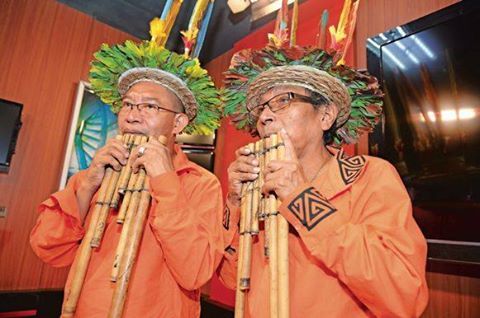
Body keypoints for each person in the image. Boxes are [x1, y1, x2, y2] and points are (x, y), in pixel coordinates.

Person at [218, 43, 429, 317]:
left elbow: (405, 295)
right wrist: (235, 205)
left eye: (283, 100)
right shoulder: (257, 188)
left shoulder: (371, 176)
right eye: (261, 109)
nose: (264, 117)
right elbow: (233, 280)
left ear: (326, 115)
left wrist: (300, 197)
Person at [30, 28, 224, 317]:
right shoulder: (95, 174)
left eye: (149, 107)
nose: (132, 116)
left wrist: (164, 182)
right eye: (129, 105)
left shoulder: (202, 184)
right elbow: (47, 248)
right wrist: (87, 186)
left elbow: (195, 272)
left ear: (179, 123)